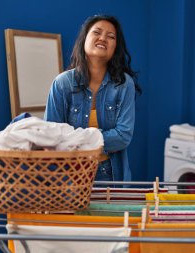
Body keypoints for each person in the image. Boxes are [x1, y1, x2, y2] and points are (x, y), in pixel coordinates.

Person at [44, 15, 141, 182]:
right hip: (69, 175)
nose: (103, 38)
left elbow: (123, 136)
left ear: (115, 47)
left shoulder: (124, 84)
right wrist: (91, 140)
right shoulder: (62, 84)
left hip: (111, 175)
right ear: (84, 39)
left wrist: (74, 140)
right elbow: (51, 138)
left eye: (111, 36)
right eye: (97, 32)